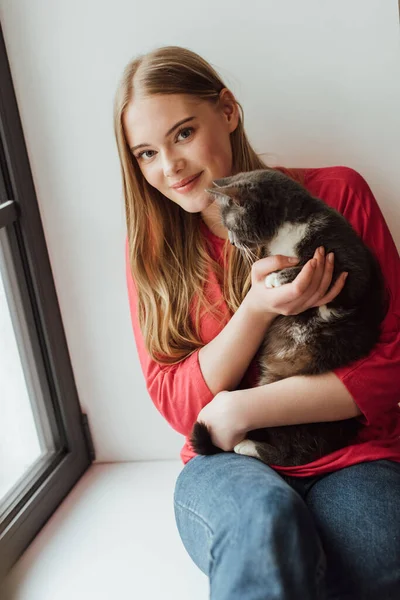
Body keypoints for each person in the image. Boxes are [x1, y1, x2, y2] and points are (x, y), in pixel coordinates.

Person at [113, 45, 400, 599]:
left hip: (353, 454)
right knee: (263, 535)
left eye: (181, 134)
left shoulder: (338, 195)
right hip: (226, 465)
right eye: (145, 153)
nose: (168, 167)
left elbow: (394, 359)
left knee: (380, 557)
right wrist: (256, 309)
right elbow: (177, 405)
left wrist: (240, 407)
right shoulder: (151, 252)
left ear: (228, 111)